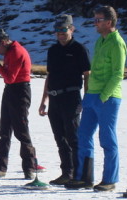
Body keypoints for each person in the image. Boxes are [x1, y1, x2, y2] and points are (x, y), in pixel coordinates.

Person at [66, 6, 127, 192]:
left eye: (98, 20)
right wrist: (88, 96)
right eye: (95, 19)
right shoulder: (100, 41)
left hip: (108, 98)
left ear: (109, 22)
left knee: (107, 139)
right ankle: (85, 177)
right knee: (83, 135)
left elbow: (118, 74)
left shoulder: (117, 43)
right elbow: (94, 72)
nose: (95, 23)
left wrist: (104, 96)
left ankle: (110, 179)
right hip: (92, 96)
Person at [38, 15, 90, 186]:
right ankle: (66, 172)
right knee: (60, 138)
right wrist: (43, 100)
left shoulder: (79, 49)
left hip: (71, 97)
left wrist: (86, 99)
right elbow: (50, 75)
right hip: (55, 98)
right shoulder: (52, 50)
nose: (60, 33)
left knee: (73, 137)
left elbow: (87, 74)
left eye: (64, 30)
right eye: (58, 30)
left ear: (71, 29)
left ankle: (78, 174)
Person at [0, 28, 37, 180]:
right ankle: (0, 168)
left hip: (20, 91)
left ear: (3, 42)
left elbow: (10, 78)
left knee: (21, 130)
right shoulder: (9, 51)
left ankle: (29, 167)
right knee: (4, 131)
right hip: (11, 90)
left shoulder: (16, 52)